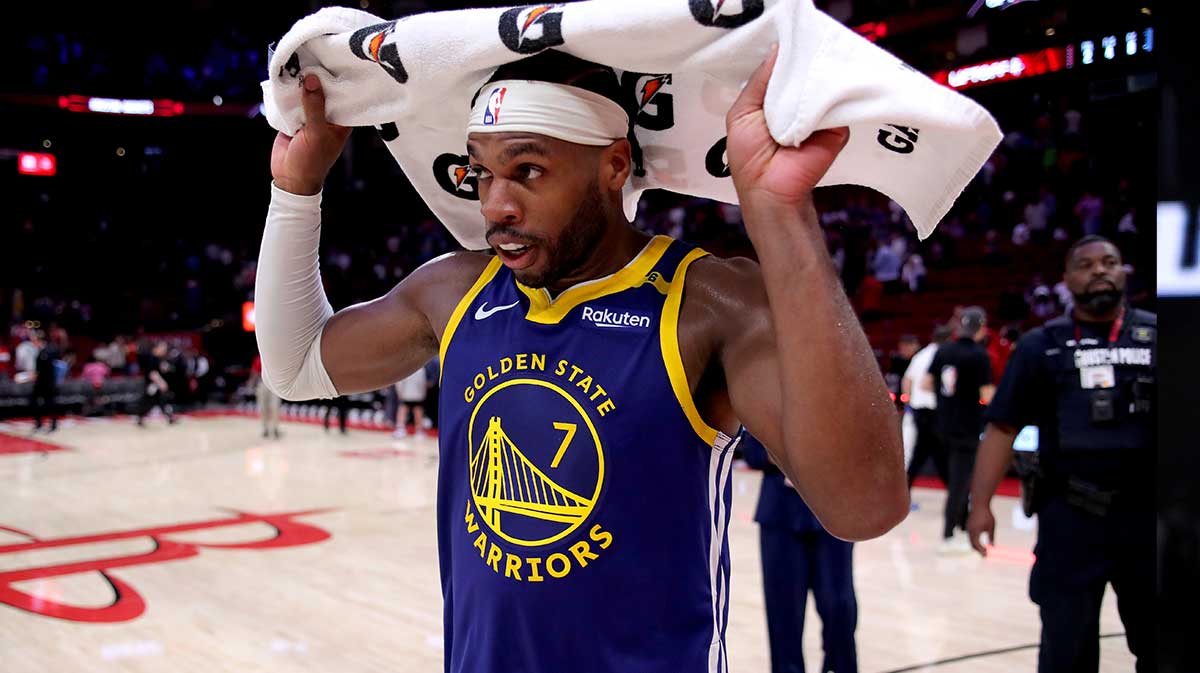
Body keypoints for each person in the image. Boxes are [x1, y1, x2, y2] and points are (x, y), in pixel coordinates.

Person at [256, 49, 906, 673]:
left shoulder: (707, 303)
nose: (494, 205)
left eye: (527, 171)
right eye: (481, 172)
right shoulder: (455, 291)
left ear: (614, 165)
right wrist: (296, 189)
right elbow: (296, 365)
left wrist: (779, 212)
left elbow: (865, 505)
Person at [967, 236, 1154, 673]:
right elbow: (1001, 428)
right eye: (1086, 265)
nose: (1100, 270)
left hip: (1148, 518)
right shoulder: (1039, 346)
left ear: (1124, 271)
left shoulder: (1158, 335)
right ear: (1067, 280)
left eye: (1109, 262)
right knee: (1067, 650)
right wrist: (980, 506)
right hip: (1070, 518)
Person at [741, 431, 857, 673]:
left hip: (834, 511)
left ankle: (839, 666)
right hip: (780, 515)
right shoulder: (765, 396)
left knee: (838, 606)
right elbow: (752, 453)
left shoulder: (842, 395)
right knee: (783, 615)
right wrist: (794, 453)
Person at [923, 307, 994, 555]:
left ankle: (960, 528)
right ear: (981, 328)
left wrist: (946, 401)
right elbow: (986, 395)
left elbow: (926, 382)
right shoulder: (980, 356)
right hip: (967, 427)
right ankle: (949, 533)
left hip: (942, 425)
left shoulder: (943, 350)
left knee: (956, 481)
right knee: (960, 483)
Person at [902, 324, 951, 491]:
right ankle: (956, 495)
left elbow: (907, 380)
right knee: (934, 453)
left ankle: (955, 494)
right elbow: (927, 383)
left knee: (922, 452)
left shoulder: (921, 355)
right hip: (932, 410)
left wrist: (909, 401)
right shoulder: (942, 355)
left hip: (918, 409)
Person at [136, 340, 177, 427]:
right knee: (148, 401)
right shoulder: (151, 358)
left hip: (155, 385)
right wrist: (161, 383)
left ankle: (170, 417)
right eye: (163, 348)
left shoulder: (159, 358)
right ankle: (140, 418)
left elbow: (161, 369)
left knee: (162, 400)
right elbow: (152, 374)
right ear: (157, 348)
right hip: (151, 385)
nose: (165, 350)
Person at [29, 335, 62, 433]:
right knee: (34, 402)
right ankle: (39, 423)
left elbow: (46, 370)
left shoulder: (48, 351)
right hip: (40, 383)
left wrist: (37, 375)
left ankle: (53, 425)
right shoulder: (40, 352)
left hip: (47, 383)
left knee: (50, 404)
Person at [250, 354, 281, 438]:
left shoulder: (275, 358)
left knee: (275, 407)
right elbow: (254, 372)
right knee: (262, 408)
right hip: (262, 384)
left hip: (274, 384)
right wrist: (251, 384)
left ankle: (275, 428)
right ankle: (265, 429)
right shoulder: (258, 359)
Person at [393, 364, 428, 438]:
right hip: (414, 394)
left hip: (409, 394)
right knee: (412, 410)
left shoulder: (406, 369)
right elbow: (422, 383)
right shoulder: (420, 369)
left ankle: (403, 429)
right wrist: (422, 394)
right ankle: (417, 431)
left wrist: (400, 393)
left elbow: (399, 382)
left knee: (409, 410)